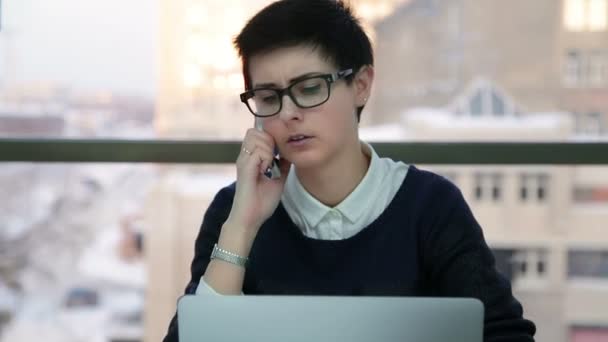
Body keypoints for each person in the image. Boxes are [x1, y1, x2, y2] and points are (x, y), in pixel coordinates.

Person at [163, 0, 536, 341]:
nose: (288, 112)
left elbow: (504, 334)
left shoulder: (430, 206)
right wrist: (242, 228)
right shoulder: (234, 209)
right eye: (268, 98)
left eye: (309, 89)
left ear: (361, 86)